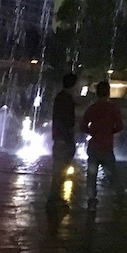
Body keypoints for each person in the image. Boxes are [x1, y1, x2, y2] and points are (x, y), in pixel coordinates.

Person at [78, 81, 125, 209]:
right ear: (108, 93)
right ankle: (119, 200)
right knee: (112, 175)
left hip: (93, 146)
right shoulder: (113, 108)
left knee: (92, 175)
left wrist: (92, 132)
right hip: (106, 146)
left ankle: (91, 201)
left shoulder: (92, 108)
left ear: (97, 93)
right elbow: (120, 126)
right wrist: (110, 131)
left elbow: (82, 126)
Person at [46, 73, 78, 213]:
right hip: (64, 139)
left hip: (60, 138)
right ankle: (53, 200)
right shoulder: (66, 99)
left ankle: (56, 197)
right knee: (59, 170)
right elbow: (67, 121)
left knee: (60, 170)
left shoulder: (61, 97)